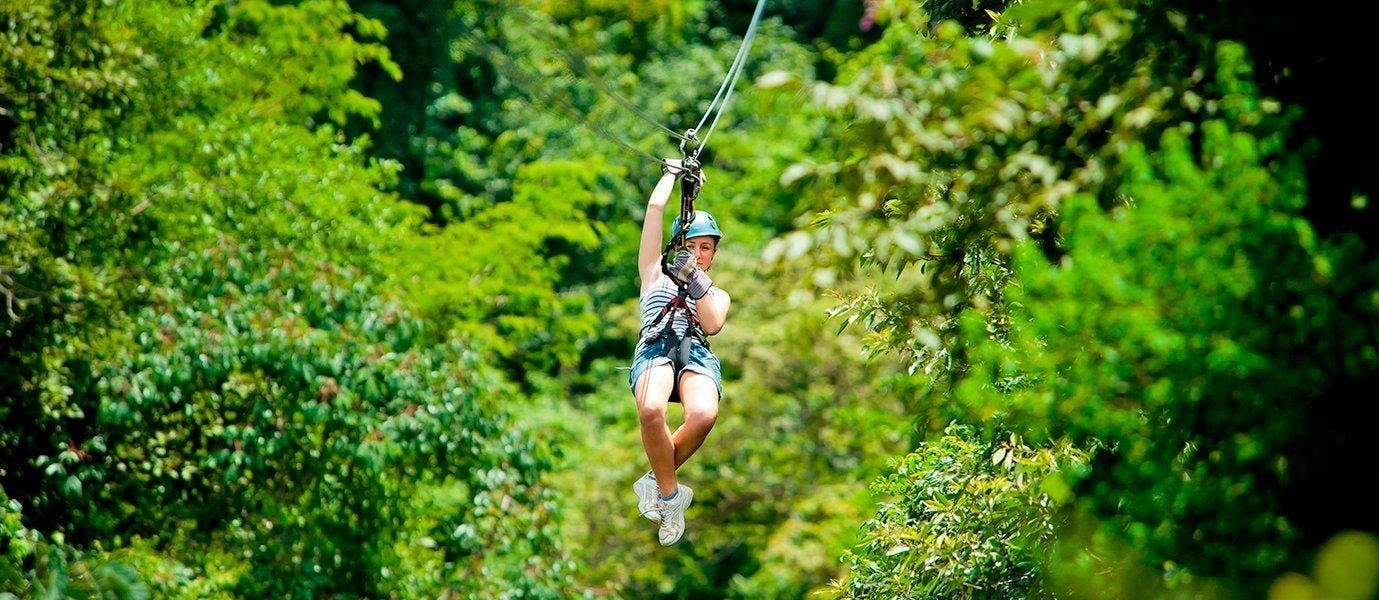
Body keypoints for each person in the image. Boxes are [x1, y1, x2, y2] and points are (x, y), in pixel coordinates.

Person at [627, 158, 731, 546]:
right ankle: (671, 497)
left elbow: (713, 323)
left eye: (706, 248)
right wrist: (671, 176)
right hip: (656, 347)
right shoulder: (653, 273)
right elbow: (655, 211)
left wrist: (696, 280)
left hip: (695, 354)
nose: (699, 253)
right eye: (690, 246)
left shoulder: (717, 292)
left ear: (713, 255)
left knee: (704, 414)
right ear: (676, 246)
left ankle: (656, 477)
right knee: (652, 409)